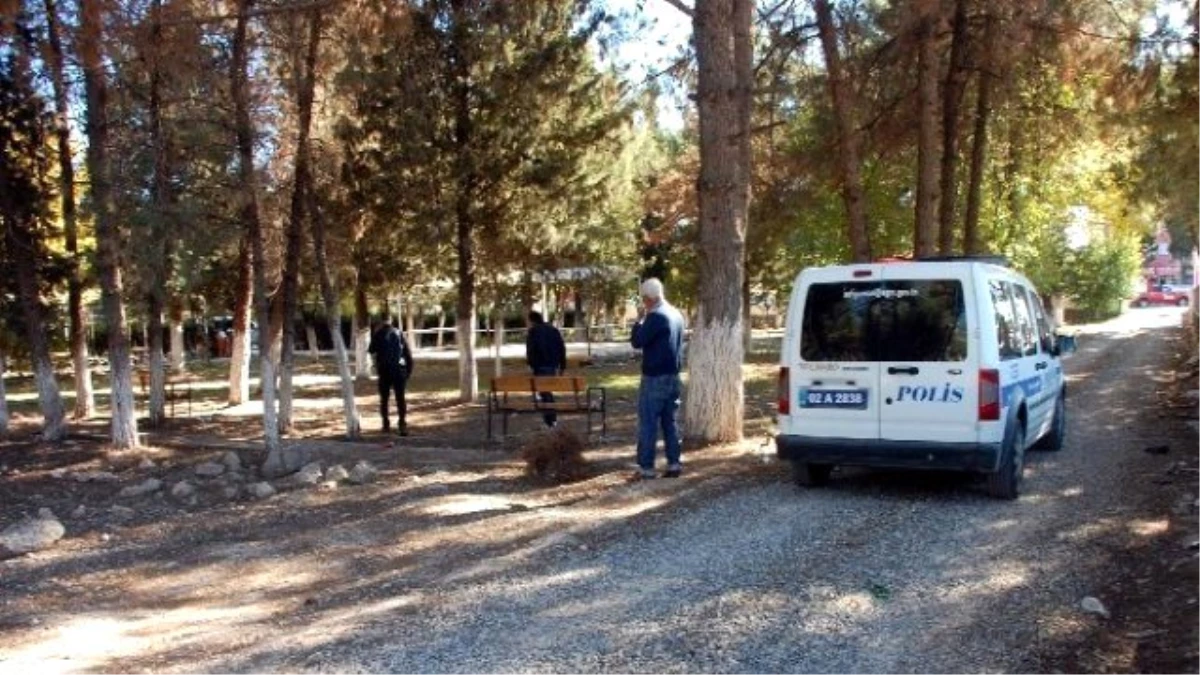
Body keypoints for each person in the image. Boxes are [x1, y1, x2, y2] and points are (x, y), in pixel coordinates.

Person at [630, 277, 685, 479]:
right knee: (670, 421)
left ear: (649, 298)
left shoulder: (655, 317)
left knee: (648, 422)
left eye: (644, 300)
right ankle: (674, 463)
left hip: (654, 376)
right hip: (673, 375)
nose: (643, 303)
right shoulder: (676, 314)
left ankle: (646, 467)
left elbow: (637, 341)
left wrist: (638, 321)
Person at [368, 319, 414, 435]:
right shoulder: (399, 333)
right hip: (398, 370)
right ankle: (402, 424)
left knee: (384, 399)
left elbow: (371, 350)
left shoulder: (378, 334)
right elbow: (408, 354)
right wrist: (408, 371)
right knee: (400, 398)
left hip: (384, 371)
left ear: (380, 324)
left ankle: (385, 424)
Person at [525, 310, 567, 428]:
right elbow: (561, 348)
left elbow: (530, 350)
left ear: (532, 321)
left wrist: (531, 364)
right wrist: (562, 365)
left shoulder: (533, 332)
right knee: (546, 392)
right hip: (552, 365)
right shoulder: (553, 330)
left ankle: (550, 419)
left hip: (539, 366)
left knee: (545, 393)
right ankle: (550, 419)